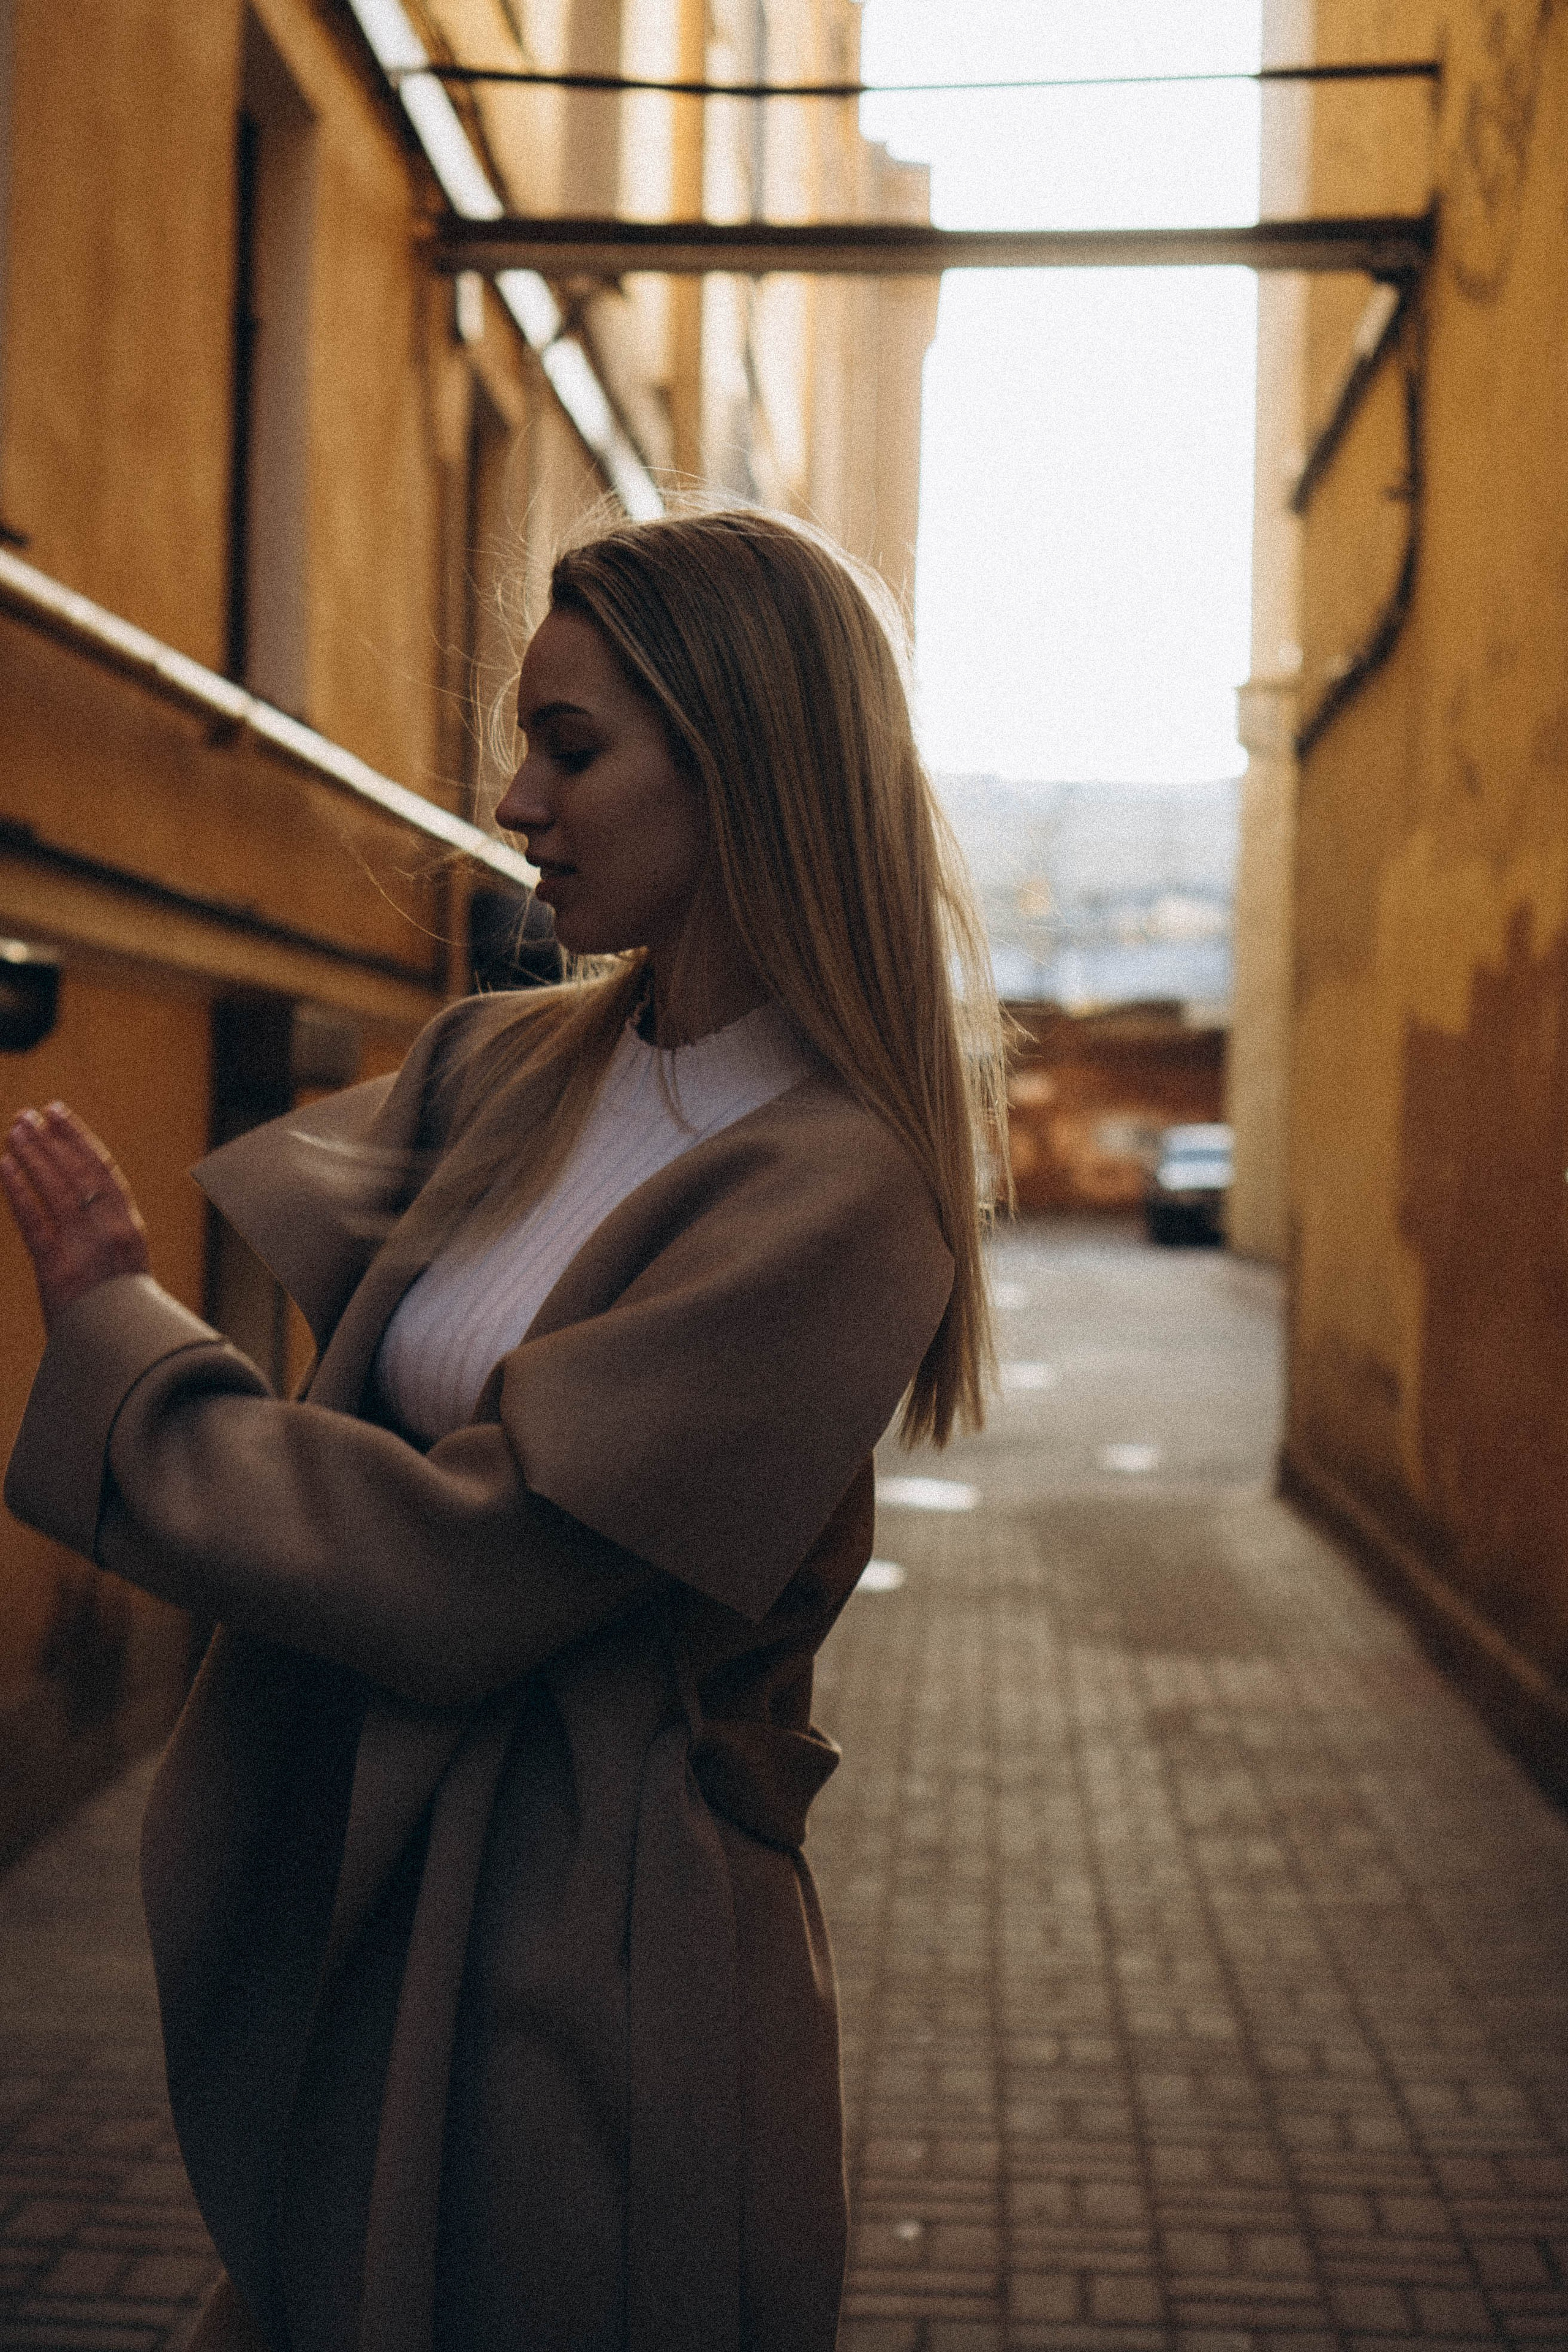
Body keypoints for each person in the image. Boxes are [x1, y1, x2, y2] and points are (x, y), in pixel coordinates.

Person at [1, 506, 1006, 2352]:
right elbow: (362, 1383)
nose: (517, 799)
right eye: (523, 738)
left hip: (596, 1958)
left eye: (574, 746)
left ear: (755, 766)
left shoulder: (845, 1191)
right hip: (365, 1874)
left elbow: (467, 1567)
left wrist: (127, 1360)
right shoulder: (499, 1062)